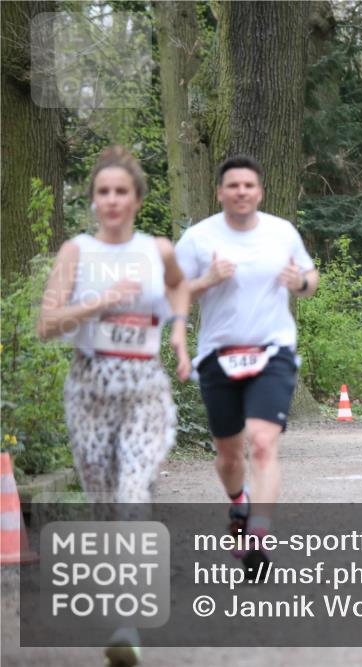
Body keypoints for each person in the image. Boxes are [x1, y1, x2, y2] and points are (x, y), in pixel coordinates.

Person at [37, 145, 191, 667]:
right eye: (102, 191)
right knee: (105, 501)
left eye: (120, 191)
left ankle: (127, 624)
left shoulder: (158, 249)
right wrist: (100, 301)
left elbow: (179, 288)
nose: (111, 200)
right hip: (90, 385)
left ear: (137, 199)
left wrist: (178, 333)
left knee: (130, 491)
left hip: (143, 385)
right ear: (93, 200)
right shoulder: (76, 251)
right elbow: (46, 325)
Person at [175, 155, 318, 574]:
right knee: (230, 455)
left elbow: (310, 278)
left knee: (262, 442)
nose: (241, 192)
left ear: (260, 192)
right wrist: (208, 280)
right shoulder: (199, 239)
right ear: (220, 192)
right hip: (219, 355)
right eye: (233, 185)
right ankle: (239, 503)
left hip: (273, 351)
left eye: (248, 186)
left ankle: (258, 535)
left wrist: (301, 283)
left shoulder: (281, 232)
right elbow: (175, 293)